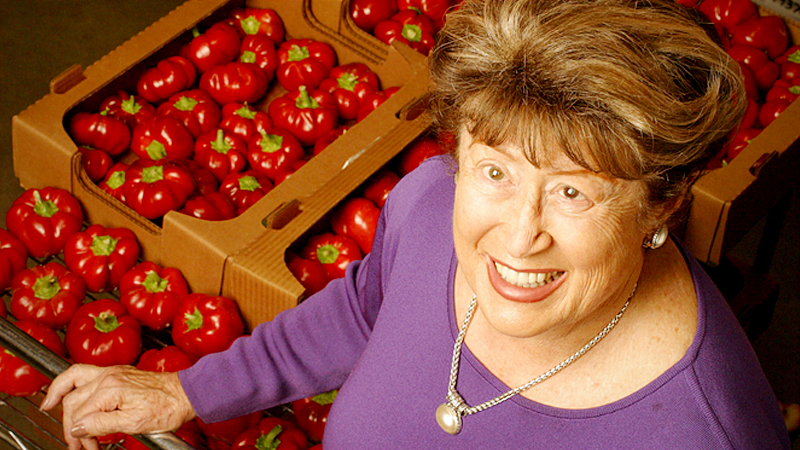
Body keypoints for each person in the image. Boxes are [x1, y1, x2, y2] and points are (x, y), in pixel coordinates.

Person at [42, 0, 790, 448]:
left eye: (573, 193)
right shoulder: (432, 204)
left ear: (661, 203)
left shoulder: (702, 430)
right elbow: (366, 306)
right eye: (494, 172)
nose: (518, 234)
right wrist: (187, 392)